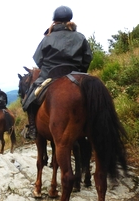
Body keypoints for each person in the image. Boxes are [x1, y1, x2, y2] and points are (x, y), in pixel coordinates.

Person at [25, 5, 93, 140]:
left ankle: (32, 128)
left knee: (30, 98)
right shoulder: (80, 37)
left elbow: (38, 60)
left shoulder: (47, 38)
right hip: (76, 75)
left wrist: (48, 68)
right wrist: (79, 73)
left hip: (50, 75)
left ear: (54, 21)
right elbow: (87, 58)